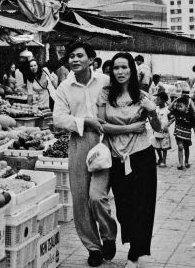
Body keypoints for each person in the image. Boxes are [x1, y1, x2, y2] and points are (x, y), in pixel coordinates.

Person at [53, 41, 115, 267]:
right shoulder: (64, 87)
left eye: (80, 56)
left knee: (96, 196)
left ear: (91, 59)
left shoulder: (106, 81)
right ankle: (93, 247)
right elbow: (58, 118)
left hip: (105, 141)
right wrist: (85, 121)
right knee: (80, 198)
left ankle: (108, 235)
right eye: (71, 56)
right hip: (80, 141)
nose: (75, 60)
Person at [96, 52, 161, 267]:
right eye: (116, 68)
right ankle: (132, 241)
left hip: (142, 154)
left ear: (132, 70)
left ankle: (137, 252)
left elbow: (159, 128)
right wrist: (129, 127)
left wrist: (152, 113)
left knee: (143, 205)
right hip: (116, 156)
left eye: (125, 67)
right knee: (124, 207)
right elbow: (101, 125)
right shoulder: (105, 94)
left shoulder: (142, 96)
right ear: (111, 71)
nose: (120, 72)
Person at [171, 96, 195, 170]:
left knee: (186, 148)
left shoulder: (190, 115)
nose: (178, 108)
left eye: (180, 106)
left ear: (186, 106)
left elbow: (194, 126)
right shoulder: (177, 112)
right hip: (178, 134)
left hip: (187, 135)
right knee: (180, 147)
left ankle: (186, 161)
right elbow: (169, 108)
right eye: (177, 106)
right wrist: (175, 100)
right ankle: (180, 163)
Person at [152, 91, 171, 167]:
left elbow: (171, 119)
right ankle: (159, 158)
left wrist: (167, 125)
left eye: (158, 100)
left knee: (164, 147)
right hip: (156, 131)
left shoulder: (167, 110)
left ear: (163, 101)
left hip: (164, 132)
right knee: (157, 147)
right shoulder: (155, 109)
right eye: (156, 99)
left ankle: (164, 160)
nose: (156, 101)